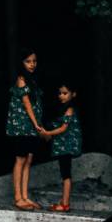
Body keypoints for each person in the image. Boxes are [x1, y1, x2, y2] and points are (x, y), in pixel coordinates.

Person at [6, 49, 45, 210]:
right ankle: (18, 198)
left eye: (34, 61)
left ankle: (25, 196)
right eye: (28, 61)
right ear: (22, 63)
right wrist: (36, 124)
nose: (32, 64)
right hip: (21, 127)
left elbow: (36, 105)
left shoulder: (32, 80)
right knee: (20, 160)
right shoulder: (21, 79)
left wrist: (37, 124)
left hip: (31, 127)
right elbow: (27, 104)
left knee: (29, 160)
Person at [41, 84, 82, 212]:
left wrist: (47, 133)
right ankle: (64, 201)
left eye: (65, 93)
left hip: (67, 146)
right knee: (64, 173)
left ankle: (65, 204)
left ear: (73, 94)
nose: (61, 96)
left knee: (66, 174)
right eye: (60, 93)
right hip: (63, 146)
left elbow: (63, 128)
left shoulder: (70, 109)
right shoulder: (63, 109)